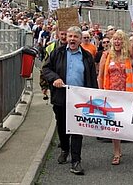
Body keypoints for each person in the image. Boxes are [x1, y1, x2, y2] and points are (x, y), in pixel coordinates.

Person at [42, 26, 97, 175]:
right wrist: (55, 78)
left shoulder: (86, 57)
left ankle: (76, 161)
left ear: (80, 40)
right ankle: (65, 148)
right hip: (61, 96)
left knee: (77, 128)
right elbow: (46, 69)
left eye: (75, 37)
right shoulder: (57, 53)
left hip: (79, 99)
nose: (72, 39)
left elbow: (92, 78)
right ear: (67, 38)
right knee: (62, 126)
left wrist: (93, 97)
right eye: (70, 36)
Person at [98, 22, 133, 165]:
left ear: (124, 42)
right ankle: (116, 152)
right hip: (111, 96)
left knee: (124, 123)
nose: (117, 41)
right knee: (114, 124)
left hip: (125, 95)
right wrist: (100, 94)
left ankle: (121, 146)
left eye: (120, 39)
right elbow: (101, 76)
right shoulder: (106, 56)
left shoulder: (128, 56)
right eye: (115, 39)